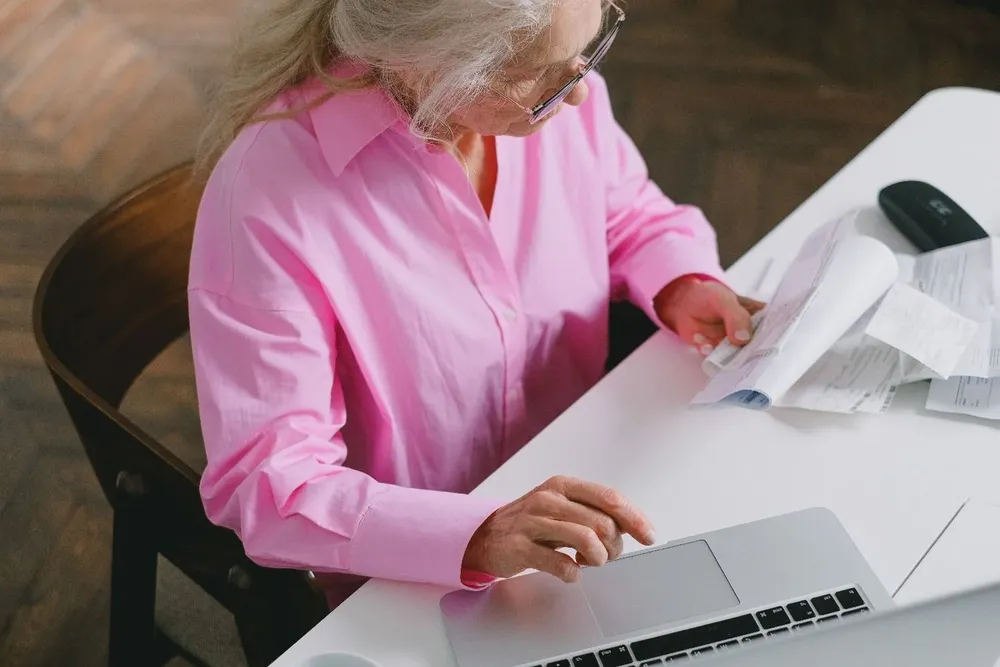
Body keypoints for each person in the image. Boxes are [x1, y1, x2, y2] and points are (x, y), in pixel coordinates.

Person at [188, 0, 763, 609]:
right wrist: (480, 534)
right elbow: (272, 482)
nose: (577, 92)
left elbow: (627, 215)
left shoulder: (553, 88)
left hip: (595, 473)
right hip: (409, 584)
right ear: (424, 60)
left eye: (588, 46)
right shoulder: (267, 198)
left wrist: (680, 282)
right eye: (536, 71)